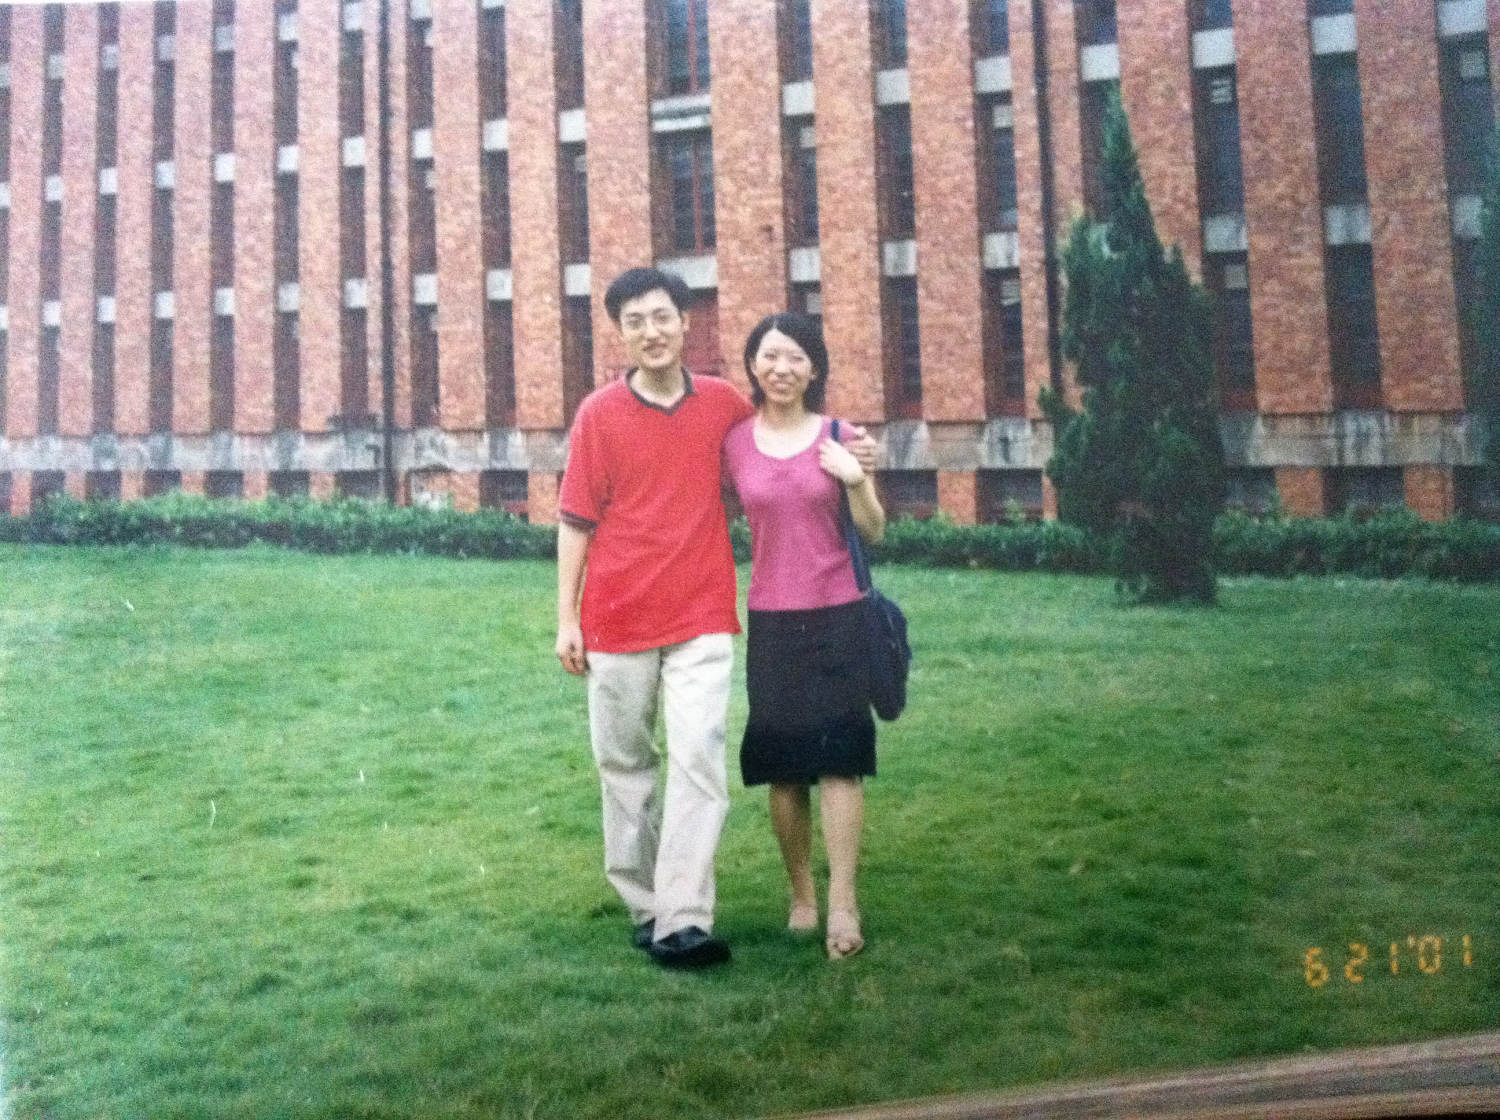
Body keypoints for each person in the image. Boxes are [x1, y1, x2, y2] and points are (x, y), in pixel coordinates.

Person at [555, 269, 875, 969]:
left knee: (698, 758)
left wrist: (854, 450)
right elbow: (575, 520)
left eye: (662, 316)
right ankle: (644, 904)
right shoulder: (598, 415)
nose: (651, 331)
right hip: (616, 617)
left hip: (703, 613)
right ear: (620, 332)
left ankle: (683, 919)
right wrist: (566, 618)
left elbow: (784, 436)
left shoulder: (725, 405)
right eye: (635, 320)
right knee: (626, 765)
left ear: (685, 322)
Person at [722, 312, 885, 961]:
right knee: (784, 771)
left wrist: (855, 477)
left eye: (795, 357)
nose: (781, 368)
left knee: (842, 761)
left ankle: (843, 903)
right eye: (769, 356)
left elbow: (874, 530)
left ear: (814, 368)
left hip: (839, 614)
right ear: (752, 366)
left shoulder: (841, 436)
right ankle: (801, 896)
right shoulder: (735, 443)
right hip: (772, 619)